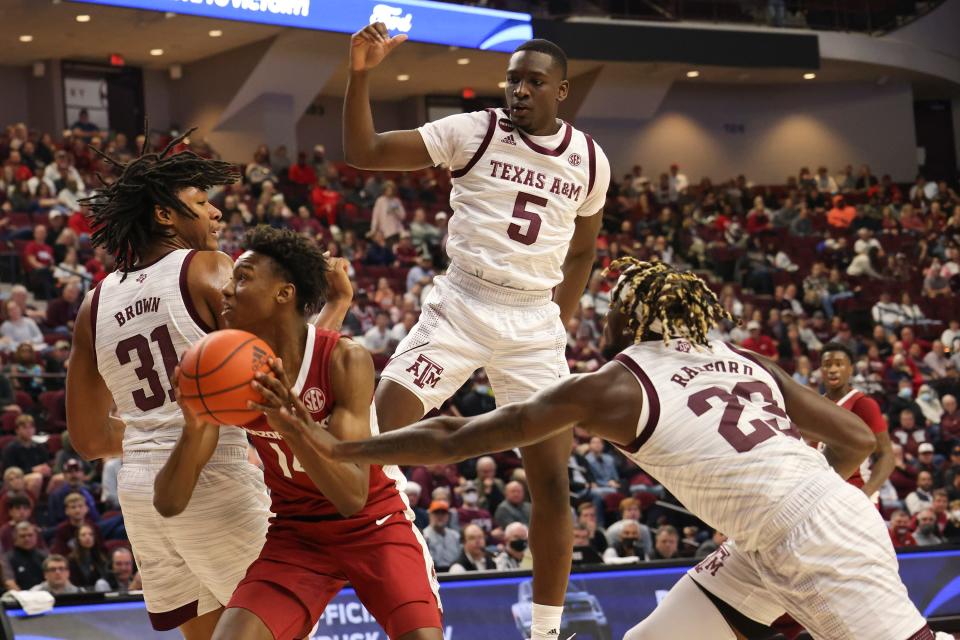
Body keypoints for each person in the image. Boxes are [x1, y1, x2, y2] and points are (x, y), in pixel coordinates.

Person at [319, 258, 944, 640]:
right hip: (785, 529)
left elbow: (457, 434)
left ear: (628, 321)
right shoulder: (741, 357)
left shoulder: (613, 386)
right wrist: (822, 496)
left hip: (810, 535)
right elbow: (859, 438)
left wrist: (343, 449)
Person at [345, 24, 610, 639]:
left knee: (550, 481)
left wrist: (557, 326)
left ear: (560, 91)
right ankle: (352, 565)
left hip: (534, 321)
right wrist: (362, 74)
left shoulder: (590, 160)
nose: (518, 90)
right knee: (374, 434)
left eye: (533, 82)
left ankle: (544, 630)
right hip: (462, 304)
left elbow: (583, 252)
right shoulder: (476, 130)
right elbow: (365, 151)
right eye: (512, 79)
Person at [66, 132, 351, 638]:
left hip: (142, 492)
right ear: (164, 216)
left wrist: (151, 435)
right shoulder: (210, 270)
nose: (216, 213)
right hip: (214, 476)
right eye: (201, 203)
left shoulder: (94, 303)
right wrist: (338, 306)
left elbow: (88, 439)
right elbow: (286, 373)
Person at [153, 227, 442, 640]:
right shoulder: (224, 365)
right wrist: (195, 422)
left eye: (243, 277)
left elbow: (351, 496)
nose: (226, 291)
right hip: (297, 534)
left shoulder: (344, 358)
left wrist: (297, 427)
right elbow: (169, 501)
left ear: (284, 294)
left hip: (373, 524)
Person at [819, 342, 895, 501]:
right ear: (821, 371)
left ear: (850, 369)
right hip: (824, 496)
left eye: (839, 364)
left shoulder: (863, 404)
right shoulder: (815, 405)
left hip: (855, 492)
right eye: (827, 365)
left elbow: (887, 455)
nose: (833, 370)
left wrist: (866, 493)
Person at [2, 415, 51, 498]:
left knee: (59, 479)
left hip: (37, 476)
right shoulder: (11, 449)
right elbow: (9, 472)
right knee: (36, 478)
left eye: (31, 427)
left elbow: (46, 463)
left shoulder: (39, 447)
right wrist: (33, 470)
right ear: (17, 430)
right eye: (25, 428)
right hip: (15, 479)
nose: (29, 431)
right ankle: (30, 506)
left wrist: (47, 469)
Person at [1, 522, 46, 591]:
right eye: (22, 536)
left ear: (36, 536)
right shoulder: (7, 558)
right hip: (19, 597)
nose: (27, 539)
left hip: (44, 596)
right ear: (15, 538)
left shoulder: (44, 556)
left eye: (30, 535)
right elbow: (9, 583)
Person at [67, 523, 110, 592]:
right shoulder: (71, 560)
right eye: (83, 535)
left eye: (91, 534)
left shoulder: (101, 557)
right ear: (78, 539)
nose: (88, 537)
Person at [422, 500, 461, 572]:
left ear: (448, 516)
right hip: (433, 574)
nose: (440, 516)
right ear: (430, 515)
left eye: (443, 513)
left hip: (454, 574)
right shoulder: (423, 536)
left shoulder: (455, 535)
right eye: (436, 513)